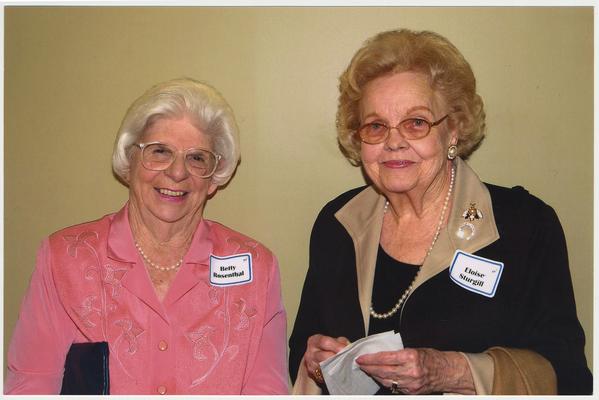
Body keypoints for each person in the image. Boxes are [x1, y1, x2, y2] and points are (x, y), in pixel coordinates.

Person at [289, 29, 592, 395]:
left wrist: (452, 372)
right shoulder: (337, 223)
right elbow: (301, 354)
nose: (394, 141)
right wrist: (317, 365)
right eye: (376, 126)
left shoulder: (525, 226)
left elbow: (569, 377)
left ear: (453, 130)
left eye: (416, 122)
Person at [5, 78, 289, 395]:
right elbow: (31, 384)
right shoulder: (64, 261)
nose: (177, 172)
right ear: (130, 162)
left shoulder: (257, 270)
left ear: (213, 178)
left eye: (197, 158)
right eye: (160, 151)